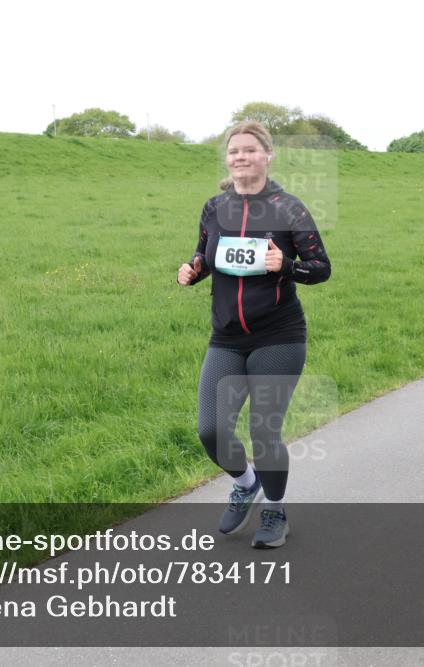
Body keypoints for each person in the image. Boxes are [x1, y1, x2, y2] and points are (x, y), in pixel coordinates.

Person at [177, 121, 331, 548]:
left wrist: (285, 265)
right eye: (233, 152)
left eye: (249, 150)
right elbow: (204, 254)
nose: (240, 157)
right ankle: (246, 483)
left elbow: (320, 269)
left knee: (264, 432)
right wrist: (191, 269)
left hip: (278, 336)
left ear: (267, 156)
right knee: (211, 430)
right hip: (226, 338)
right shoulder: (214, 208)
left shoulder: (290, 209)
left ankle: (275, 511)